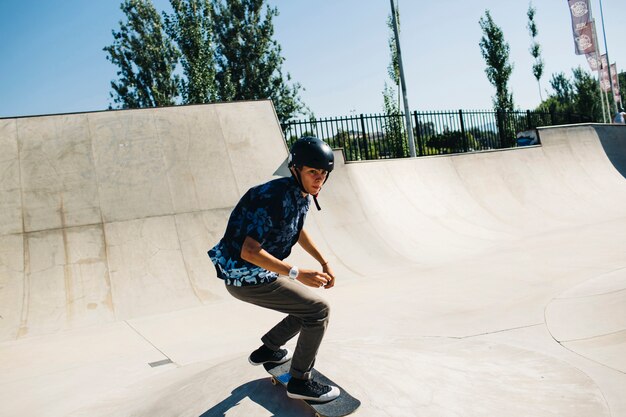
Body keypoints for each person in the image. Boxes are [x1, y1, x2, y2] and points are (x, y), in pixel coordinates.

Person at [208, 136, 340, 402]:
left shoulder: (301, 194)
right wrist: (297, 273)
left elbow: (297, 229)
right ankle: (300, 382)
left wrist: (323, 261)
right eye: (312, 172)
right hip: (247, 277)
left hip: (259, 273)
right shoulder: (273, 196)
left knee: (307, 307)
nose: (319, 179)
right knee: (318, 310)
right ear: (295, 168)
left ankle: (268, 349)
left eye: (323, 174)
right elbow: (249, 251)